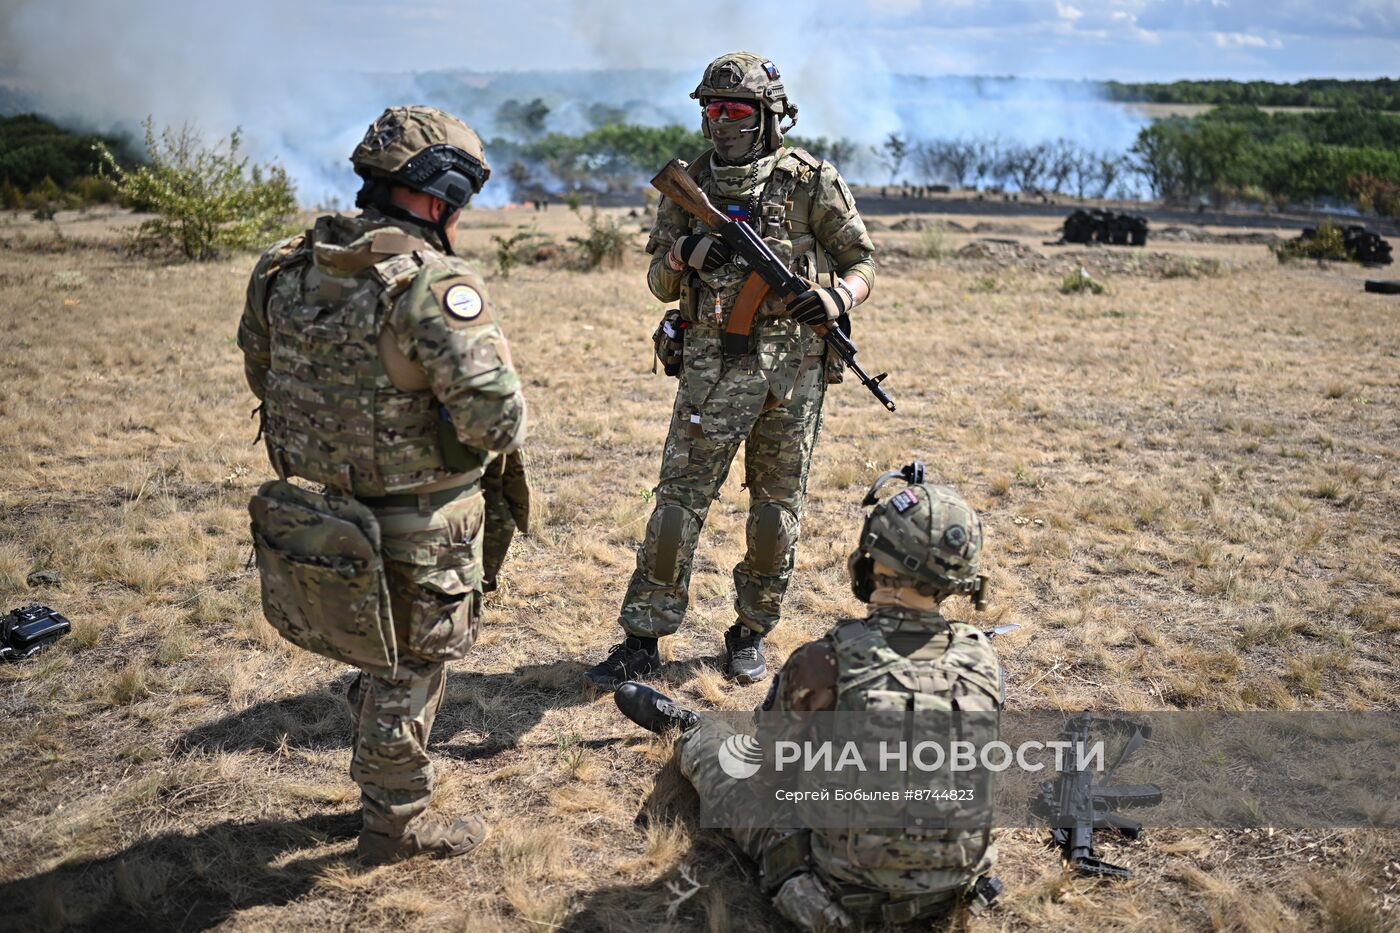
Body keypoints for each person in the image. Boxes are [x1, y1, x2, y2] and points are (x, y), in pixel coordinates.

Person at [237, 105, 527, 864]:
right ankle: (395, 827)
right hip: (419, 518)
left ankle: (376, 767)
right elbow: (497, 422)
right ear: (442, 195)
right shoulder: (431, 284)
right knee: (410, 670)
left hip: (327, 508)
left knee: (382, 657)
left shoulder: (286, 266)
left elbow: (262, 371)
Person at [586, 51, 877, 688]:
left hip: (791, 374)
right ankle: (642, 638)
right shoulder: (689, 184)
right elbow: (659, 284)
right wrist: (684, 253)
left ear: (768, 115)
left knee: (774, 515)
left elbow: (863, 263)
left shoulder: (810, 182)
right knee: (675, 509)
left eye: (736, 109)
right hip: (708, 373)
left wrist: (836, 298)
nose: (722, 121)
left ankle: (750, 633)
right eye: (713, 109)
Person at [613, 468, 1004, 929]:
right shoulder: (983, 658)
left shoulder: (824, 661)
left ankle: (690, 731)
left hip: (842, 898)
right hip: (952, 892)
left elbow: (766, 778)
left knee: (727, 758)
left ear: (875, 563)